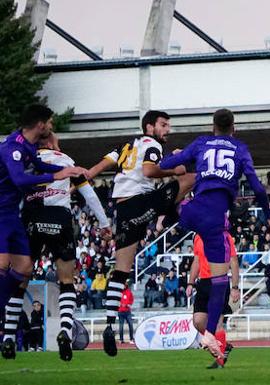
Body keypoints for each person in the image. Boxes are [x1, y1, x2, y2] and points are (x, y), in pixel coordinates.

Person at [158, 109, 270, 359]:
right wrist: (269, 215)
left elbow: (165, 165)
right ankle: (211, 333)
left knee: (183, 184)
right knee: (219, 283)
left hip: (190, 210)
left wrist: (175, 158)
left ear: (213, 127)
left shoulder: (201, 142)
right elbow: (258, 188)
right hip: (213, 220)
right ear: (234, 128)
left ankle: (161, 219)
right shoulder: (240, 148)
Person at [87, 110, 194, 357]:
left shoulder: (129, 144)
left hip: (122, 209)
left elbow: (108, 160)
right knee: (191, 177)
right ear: (150, 127)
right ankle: (165, 219)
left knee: (122, 269)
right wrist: (174, 169)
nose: (168, 129)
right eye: (164, 125)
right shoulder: (152, 144)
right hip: (139, 201)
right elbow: (149, 171)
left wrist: (89, 174)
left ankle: (110, 325)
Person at [0, 105, 86, 360]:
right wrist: (59, 173)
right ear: (40, 124)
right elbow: (18, 179)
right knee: (4, 265)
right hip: (1, 212)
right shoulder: (13, 148)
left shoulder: (27, 145)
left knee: (24, 269)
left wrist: (65, 171)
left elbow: (38, 164)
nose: (51, 126)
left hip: (12, 215)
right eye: (49, 121)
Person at [22, 133, 112, 361]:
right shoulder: (66, 161)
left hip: (31, 217)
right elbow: (89, 196)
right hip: (59, 220)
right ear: (51, 142)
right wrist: (104, 223)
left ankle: (9, 338)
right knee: (66, 280)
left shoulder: (25, 161)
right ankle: (65, 329)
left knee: (20, 278)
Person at [187, 231, 239, 369]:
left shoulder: (225, 236)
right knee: (198, 321)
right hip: (203, 282)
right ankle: (222, 345)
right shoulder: (198, 236)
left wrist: (235, 287)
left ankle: (220, 362)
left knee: (217, 324)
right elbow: (196, 260)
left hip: (219, 281)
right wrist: (190, 283)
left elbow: (233, 261)